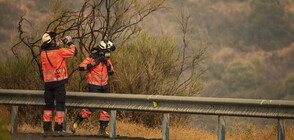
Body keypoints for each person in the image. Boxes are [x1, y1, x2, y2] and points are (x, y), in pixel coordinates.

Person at [70, 39, 115, 135]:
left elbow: (111, 72)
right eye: (108, 51)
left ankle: (102, 131)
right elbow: (81, 67)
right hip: (94, 86)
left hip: (105, 86)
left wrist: (107, 63)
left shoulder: (107, 59)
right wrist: (94, 63)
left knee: (107, 108)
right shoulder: (92, 56)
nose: (109, 53)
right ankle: (76, 121)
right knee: (91, 108)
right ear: (102, 50)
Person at [41, 31, 78, 136]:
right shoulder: (59, 51)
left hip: (48, 84)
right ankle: (58, 129)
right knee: (60, 106)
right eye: (55, 39)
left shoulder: (43, 53)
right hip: (58, 83)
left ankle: (46, 130)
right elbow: (74, 52)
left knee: (48, 106)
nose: (56, 40)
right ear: (51, 41)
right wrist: (69, 42)